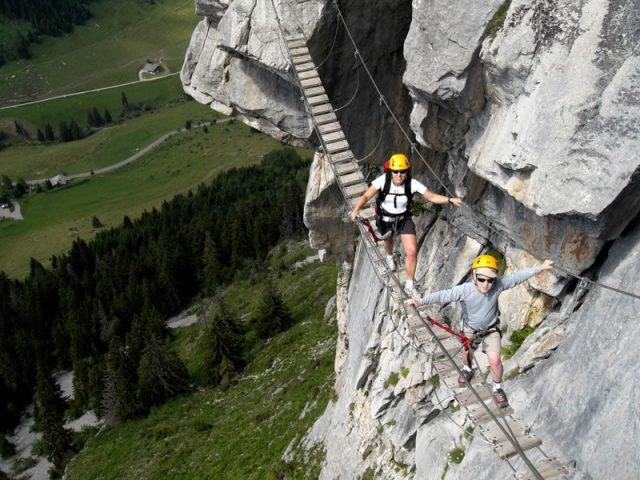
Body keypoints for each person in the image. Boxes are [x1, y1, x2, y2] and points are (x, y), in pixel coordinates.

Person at [406, 254, 554, 408]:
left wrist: (540, 268)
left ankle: (497, 388)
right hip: (470, 329)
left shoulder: (498, 285)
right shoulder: (465, 290)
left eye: (490, 280)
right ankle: (467, 369)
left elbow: (517, 278)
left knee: (495, 361)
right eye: (482, 279)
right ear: (474, 275)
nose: (486, 284)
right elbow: (444, 295)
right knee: (466, 354)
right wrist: (420, 302)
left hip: (491, 330)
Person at [350, 153, 463, 297]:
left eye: (402, 171)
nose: (399, 175)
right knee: (388, 242)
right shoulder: (383, 180)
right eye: (395, 171)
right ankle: (390, 257)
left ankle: (409, 285)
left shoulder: (412, 183)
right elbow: (366, 195)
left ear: (407, 172)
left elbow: (432, 196)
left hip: (404, 219)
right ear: (390, 171)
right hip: (385, 219)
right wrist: (356, 209)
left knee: (412, 252)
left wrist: (450, 200)